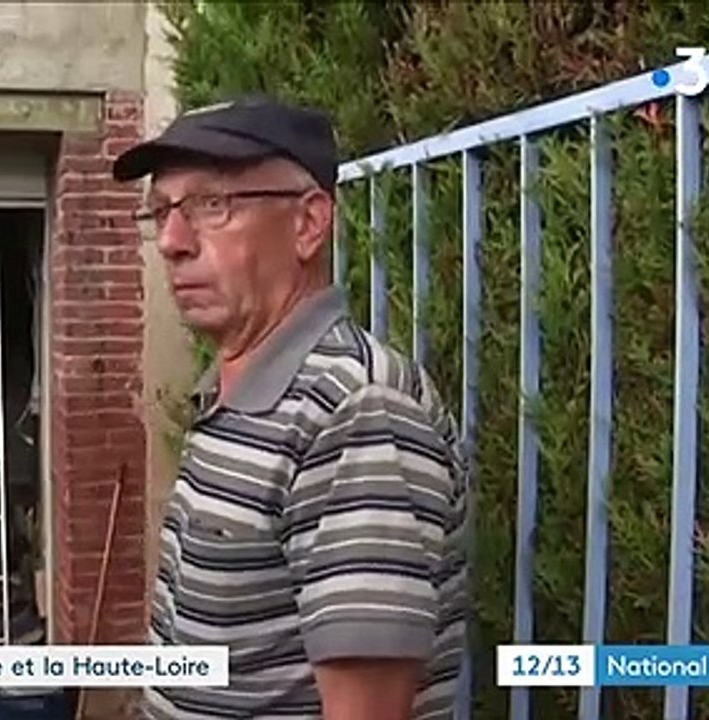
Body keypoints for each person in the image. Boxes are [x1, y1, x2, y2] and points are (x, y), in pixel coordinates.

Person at [112, 94, 471, 720]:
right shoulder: (233, 391)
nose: (171, 240)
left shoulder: (354, 410)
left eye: (210, 204)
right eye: (162, 209)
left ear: (308, 223)